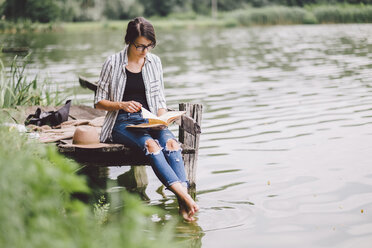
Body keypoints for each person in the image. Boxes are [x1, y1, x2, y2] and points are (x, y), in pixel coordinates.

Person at [94, 17, 199, 221]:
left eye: (149, 46)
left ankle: (183, 203)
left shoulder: (155, 62)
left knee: (171, 143)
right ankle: (186, 199)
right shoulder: (112, 62)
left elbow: (159, 98)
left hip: (151, 120)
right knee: (151, 146)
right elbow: (98, 102)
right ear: (129, 41)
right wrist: (121, 104)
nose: (145, 51)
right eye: (140, 46)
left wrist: (162, 119)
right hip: (123, 122)